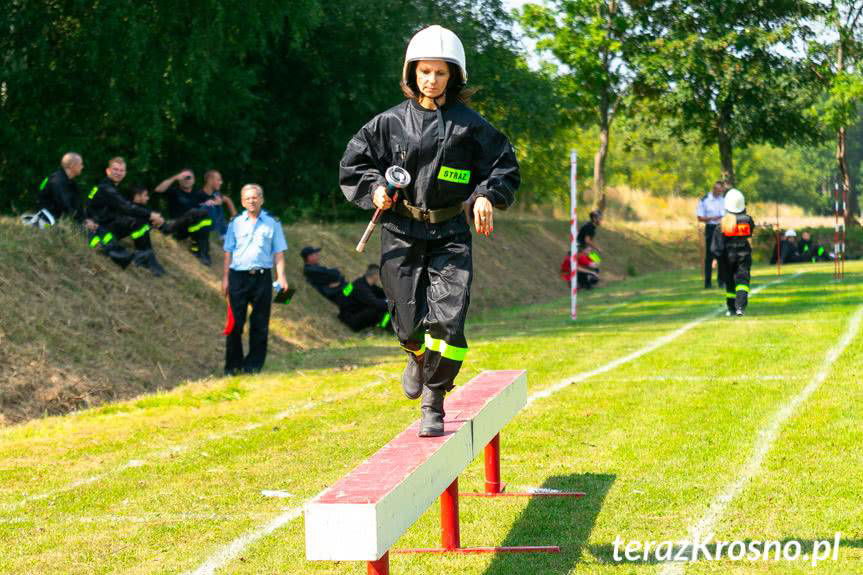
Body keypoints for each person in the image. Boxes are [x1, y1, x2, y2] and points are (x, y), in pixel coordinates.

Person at [340, 25, 519, 437]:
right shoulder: (388, 123)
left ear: (454, 76)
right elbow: (355, 164)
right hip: (400, 230)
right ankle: (415, 355)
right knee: (407, 323)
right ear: (412, 72)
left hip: (451, 233)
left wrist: (486, 195)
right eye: (424, 71)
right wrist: (376, 188)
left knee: (448, 322)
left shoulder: (471, 126)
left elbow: (503, 167)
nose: (431, 80)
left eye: (440, 72)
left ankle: (434, 400)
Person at [222, 184, 288, 375]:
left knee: (260, 323)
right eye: (248, 198)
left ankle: (253, 365)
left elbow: (278, 252)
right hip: (238, 277)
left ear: (262, 199)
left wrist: (281, 277)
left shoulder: (273, 223)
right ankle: (233, 366)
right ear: (242, 202)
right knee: (235, 323)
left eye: (255, 197)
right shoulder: (235, 223)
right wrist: (225, 278)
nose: (252, 200)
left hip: (262, 277)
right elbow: (228, 252)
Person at [85, 157, 166, 275]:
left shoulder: (106, 186)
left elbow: (123, 209)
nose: (118, 173)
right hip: (98, 229)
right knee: (139, 221)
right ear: (108, 171)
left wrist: (149, 216)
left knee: (140, 220)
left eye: (121, 170)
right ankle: (144, 256)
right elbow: (126, 207)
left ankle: (146, 255)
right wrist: (151, 215)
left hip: (104, 224)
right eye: (115, 169)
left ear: (125, 173)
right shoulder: (106, 188)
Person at [154, 169, 213, 265]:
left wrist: (211, 202)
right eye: (184, 177)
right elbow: (158, 190)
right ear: (179, 180)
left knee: (205, 216)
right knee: (194, 212)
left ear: (194, 180)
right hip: (176, 226)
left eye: (189, 177)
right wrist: (175, 177)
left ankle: (202, 253)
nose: (186, 180)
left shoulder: (198, 193)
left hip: (191, 229)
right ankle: (199, 250)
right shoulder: (174, 191)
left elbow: (214, 200)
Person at [711, 188, 754, 316]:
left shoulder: (723, 223)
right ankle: (740, 307)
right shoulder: (748, 220)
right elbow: (750, 232)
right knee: (743, 282)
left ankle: (731, 309)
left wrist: (715, 258)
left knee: (730, 283)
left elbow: (718, 245)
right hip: (744, 256)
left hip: (727, 258)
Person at [34, 153, 96, 230]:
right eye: (80, 164)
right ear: (72, 165)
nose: (82, 167)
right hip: (49, 223)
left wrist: (85, 220)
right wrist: (82, 223)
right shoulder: (57, 182)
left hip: (60, 222)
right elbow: (66, 207)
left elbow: (76, 205)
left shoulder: (70, 183)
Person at [338, 264, 391, 331]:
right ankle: (382, 327)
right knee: (382, 308)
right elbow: (376, 303)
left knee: (385, 304)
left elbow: (381, 292)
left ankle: (383, 326)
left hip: (355, 312)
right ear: (375, 276)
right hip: (351, 319)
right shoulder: (361, 287)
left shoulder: (365, 282)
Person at [697, 181, 726, 288]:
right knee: (709, 256)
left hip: (722, 228)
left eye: (721, 191)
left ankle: (721, 281)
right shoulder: (705, 200)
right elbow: (700, 217)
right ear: (714, 189)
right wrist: (713, 218)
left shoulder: (723, 200)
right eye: (718, 191)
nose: (720, 193)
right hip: (711, 228)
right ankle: (708, 282)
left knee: (722, 255)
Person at [201, 170, 237, 239]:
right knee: (210, 207)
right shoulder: (198, 195)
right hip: (208, 232)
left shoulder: (216, 194)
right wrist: (212, 203)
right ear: (210, 180)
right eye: (218, 180)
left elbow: (228, 200)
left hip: (223, 231)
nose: (221, 182)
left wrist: (235, 217)